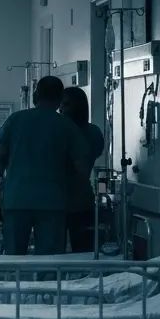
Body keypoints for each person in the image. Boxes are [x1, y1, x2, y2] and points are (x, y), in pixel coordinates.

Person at [0, 74, 87, 256]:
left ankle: (14, 284)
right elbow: (81, 169)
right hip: (52, 202)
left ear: (35, 96)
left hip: (16, 199)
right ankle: (45, 284)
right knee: (49, 264)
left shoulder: (15, 120)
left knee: (14, 260)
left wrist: (6, 181)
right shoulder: (66, 127)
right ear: (59, 99)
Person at [59, 86, 105, 252]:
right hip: (67, 199)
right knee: (72, 251)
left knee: (81, 249)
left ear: (78, 106)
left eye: (66, 104)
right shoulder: (93, 132)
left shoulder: (89, 132)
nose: (61, 109)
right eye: (60, 104)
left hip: (75, 200)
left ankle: (82, 278)